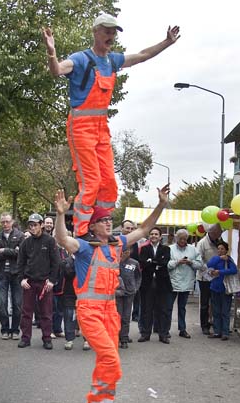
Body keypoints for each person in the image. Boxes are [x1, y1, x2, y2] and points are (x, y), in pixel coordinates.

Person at [42, 15, 179, 238]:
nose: (111, 36)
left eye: (114, 32)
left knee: (108, 184)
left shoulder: (113, 61)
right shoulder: (80, 59)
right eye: (107, 31)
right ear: (95, 32)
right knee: (91, 182)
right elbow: (57, 70)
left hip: (101, 128)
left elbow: (143, 55)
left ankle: (102, 225)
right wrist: (51, 51)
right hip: (81, 127)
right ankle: (82, 232)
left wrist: (166, 42)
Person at [53, 184, 170, 403]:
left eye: (109, 219)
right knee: (110, 360)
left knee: (107, 361)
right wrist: (61, 214)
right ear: (93, 227)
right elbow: (62, 239)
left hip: (110, 313)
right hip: (89, 312)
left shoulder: (117, 245)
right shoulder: (85, 248)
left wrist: (160, 204)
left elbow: (145, 229)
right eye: (102, 220)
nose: (108, 223)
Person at [16, 214, 60, 350]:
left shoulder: (50, 241)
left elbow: (56, 262)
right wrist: (22, 279)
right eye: (30, 225)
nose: (32, 227)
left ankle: (47, 338)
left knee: (46, 312)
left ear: (41, 225)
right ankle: (25, 338)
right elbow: (20, 263)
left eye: (35, 224)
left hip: (44, 283)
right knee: (26, 312)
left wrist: (52, 280)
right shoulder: (25, 243)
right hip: (29, 282)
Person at [0, 212, 25, 339]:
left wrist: (4, 250)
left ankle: (15, 329)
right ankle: (5, 329)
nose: (5, 224)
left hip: (16, 273)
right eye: (3, 222)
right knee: (2, 303)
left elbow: (21, 253)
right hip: (1, 273)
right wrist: (12, 251)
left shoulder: (20, 235)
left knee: (17, 303)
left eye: (7, 221)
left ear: (12, 222)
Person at [137, 227, 172, 344]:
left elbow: (165, 262)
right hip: (147, 283)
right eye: (152, 234)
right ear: (149, 236)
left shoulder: (166, 249)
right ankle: (145, 334)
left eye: (156, 234)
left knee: (162, 309)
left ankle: (163, 334)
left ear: (160, 237)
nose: (154, 236)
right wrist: (155, 262)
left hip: (162, 283)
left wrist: (151, 261)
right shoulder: (144, 248)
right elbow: (142, 262)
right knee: (147, 309)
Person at [168, 228, 203, 339]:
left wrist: (190, 262)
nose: (183, 240)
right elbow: (166, 264)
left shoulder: (193, 249)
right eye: (180, 238)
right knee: (168, 307)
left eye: (185, 238)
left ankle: (182, 329)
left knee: (182, 307)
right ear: (176, 238)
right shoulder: (170, 249)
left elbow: (200, 264)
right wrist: (177, 262)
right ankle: (165, 329)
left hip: (187, 281)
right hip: (173, 281)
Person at [196, 224, 225, 335]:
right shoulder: (202, 243)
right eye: (219, 232)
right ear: (212, 232)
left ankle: (215, 323)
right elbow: (198, 260)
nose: (220, 234)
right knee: (205, 303)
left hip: (217, 276)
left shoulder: (219, 240)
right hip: (204, 277)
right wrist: (209, 272)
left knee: (215, 301)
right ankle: (204, 325)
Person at [206, 242, 237, 341]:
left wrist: (220, 271)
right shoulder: (216, 259)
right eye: (218, 249)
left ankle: (225, 332)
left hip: (226, 288)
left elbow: (234, 270)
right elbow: (209, 264)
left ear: (226, 250)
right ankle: (216, 331)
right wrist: (219, 258)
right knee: (216, 311)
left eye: (222, 249)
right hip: (215, 287)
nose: (220, 251)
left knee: (225, 311)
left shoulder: (229, 260)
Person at [116, 248, 141, 348]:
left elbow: (138, 276)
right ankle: (116, 336)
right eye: (122, 251)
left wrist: (136, 288)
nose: (124, 253)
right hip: (117, 293)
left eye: (126, 251)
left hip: (130, 293)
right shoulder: (115, 262)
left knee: (126, 317)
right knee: (118, 316)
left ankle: (124, 338)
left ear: (130, 251)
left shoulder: (134, 263)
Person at [56, 246, 78, 350]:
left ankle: (87, 339)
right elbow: (68, 273)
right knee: (69, 315)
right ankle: (69, 339)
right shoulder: (66, 261)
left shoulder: (89, 260)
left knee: (86, 316)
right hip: (69, 292)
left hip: (85, 292)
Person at [121, 219, 142, 322]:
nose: (129, 230)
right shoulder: (115, 241)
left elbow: (136, 261)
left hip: (131, 277)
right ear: (122, 229)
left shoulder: (135, 243)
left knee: (134, 298)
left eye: (132, 228)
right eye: (127, 228)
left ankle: (135, 315)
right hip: (117, 278)